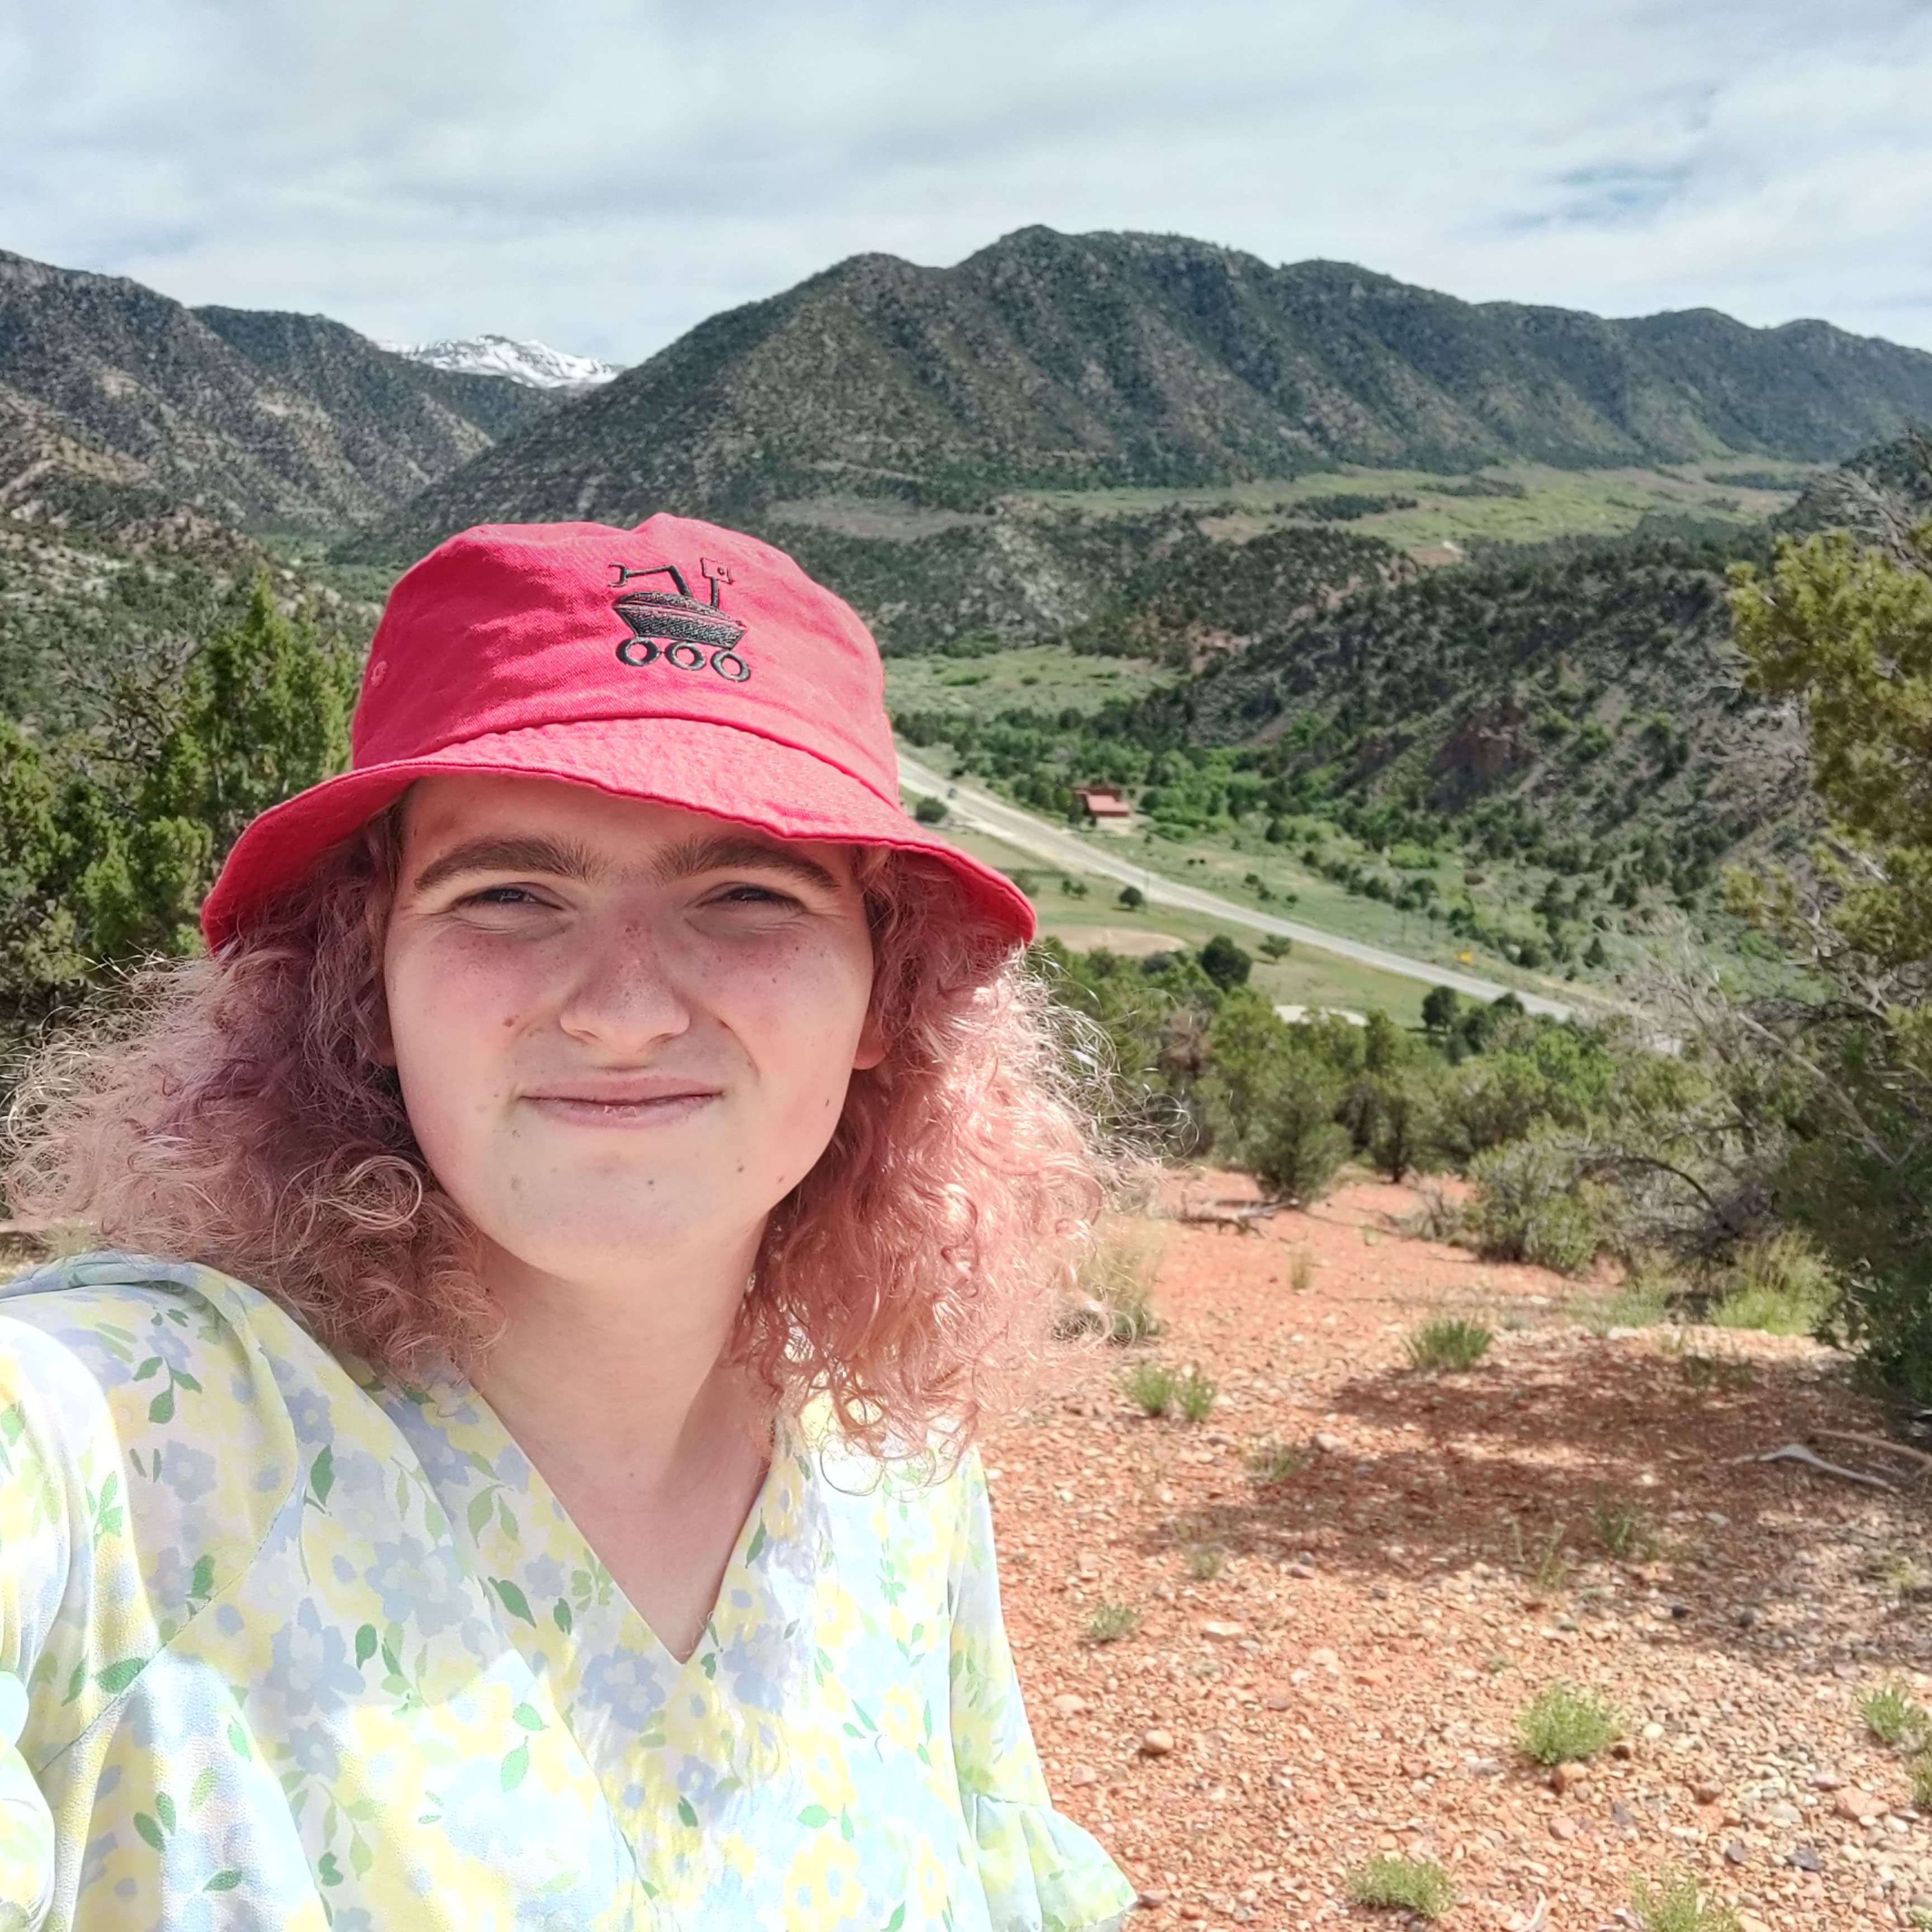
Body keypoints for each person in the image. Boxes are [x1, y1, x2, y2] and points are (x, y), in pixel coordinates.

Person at [0, 517, 1137, 1930]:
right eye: (511, 895)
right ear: (365, 986)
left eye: (744, 895)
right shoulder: (97, 1446)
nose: (622, 1009)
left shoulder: (894, 1486)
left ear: (883, 998)